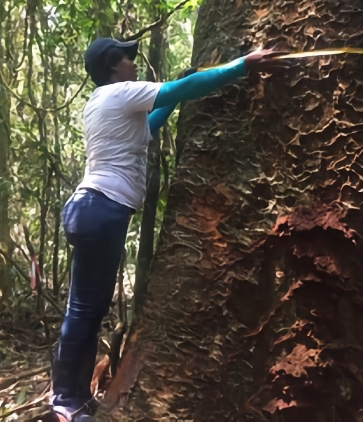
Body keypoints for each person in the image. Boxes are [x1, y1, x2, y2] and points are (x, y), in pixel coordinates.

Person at [51, 37, 281, 421]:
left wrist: (174, 100)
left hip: (93, 209)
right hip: (100, 208)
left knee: (88, 311)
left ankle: (74, 397)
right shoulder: (120, 93)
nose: (134, 65)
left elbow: (149, 128)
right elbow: (179, 89)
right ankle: (64, 401)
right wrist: (243, 65)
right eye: (128, 59)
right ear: (114, 65)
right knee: (84, 311)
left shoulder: (103, 104)